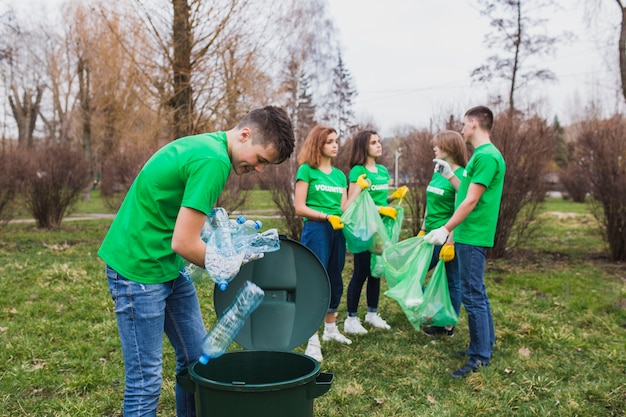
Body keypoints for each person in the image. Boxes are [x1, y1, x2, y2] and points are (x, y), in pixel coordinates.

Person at [98, 106, 295, 417]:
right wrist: (224, 263)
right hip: (138, 269)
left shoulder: (210, 148)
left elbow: (182, 222)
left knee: (198, 359)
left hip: (167, 265)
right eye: (261, 159)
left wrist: (227, 239)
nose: (259, 169)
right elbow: (183, 242)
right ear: (245, 135)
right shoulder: (213, 160)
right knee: (146, 380)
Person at [423, 106, 505, 378]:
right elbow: (463, 190)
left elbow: (471, 199)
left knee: (472, 295)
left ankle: (480, 357)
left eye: (463, 124)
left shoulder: (487, 156)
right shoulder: (480, 156)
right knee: (476, 292)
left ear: (473, 123)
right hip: (467, 233)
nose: (461, 129)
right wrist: (450, 176)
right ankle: (483, 345)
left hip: (473, 234)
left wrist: (446, 228)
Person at [294, 125, 352, 362]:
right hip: (317, 229)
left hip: (338, 229)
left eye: (336, 140)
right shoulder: (307, 170)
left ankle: (330, 329)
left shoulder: (339, 176)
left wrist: (359, 189)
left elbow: (345, 208)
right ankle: (312, 338)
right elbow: (299, 207)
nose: (335, 145)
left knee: (334, 277)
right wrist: (325, 216)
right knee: (315, 279)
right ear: (318, 144)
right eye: (329, 141)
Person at [342, 130, 408, 335]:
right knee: (360, 271)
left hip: (380, 228)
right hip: (364, 228)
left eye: (379, 141)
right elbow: (354, 204)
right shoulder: (357, 171)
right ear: (364, 147)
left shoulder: (382, 171)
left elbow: (378, 199)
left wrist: (392, 199)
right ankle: (351, 318)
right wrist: (381, 209)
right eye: (373, 142)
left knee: (376, 271)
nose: (378, 145)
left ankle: (372, 314)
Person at [419, 130, 468, 337]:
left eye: (438, 146)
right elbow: (430, 203)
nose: (434, 148)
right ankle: (432, 314)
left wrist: (451, 240)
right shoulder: (438, 171)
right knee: (416, 274)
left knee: (451, 280)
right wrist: (422, 228)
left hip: (446, 236)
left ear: (449, 148)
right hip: (431, 234)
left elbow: (462, 208)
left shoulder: (462, 175)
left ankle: (447, 325)